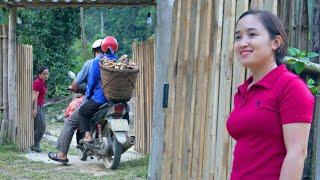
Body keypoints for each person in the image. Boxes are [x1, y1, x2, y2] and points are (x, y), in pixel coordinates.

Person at [226, 10, 315, 180]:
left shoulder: (291, 87)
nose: (242, 43)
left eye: (252, 34)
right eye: (238, 37)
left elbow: (297, 153)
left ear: (275, 42)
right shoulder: (243, 91)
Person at [48, 39, 104, 163]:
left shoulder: (91, 63)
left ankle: (62, 154)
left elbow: (78, 81)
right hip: (111, 101)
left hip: (95, 100)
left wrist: (73, 87)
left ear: (94, 51)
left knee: (71, 122)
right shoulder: (113, 61)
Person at [79, 36, 119, 143]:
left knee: (82, 111)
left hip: (100, 99)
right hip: (117, 99)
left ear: (103, 48)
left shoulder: (98, 62)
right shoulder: (119, 62)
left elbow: (91, 83)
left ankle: (87, 136)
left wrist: (88, 95)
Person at [31, 67, 49, 153]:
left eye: (47, 74)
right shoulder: (38, 82)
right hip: (37, 106)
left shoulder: (42, 82)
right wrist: (34, 109)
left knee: (38, 126)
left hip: (40, 106)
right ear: (39, 74)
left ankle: (36, 144)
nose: (46, 75)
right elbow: (34, 97)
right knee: (42, 126)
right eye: (44, 74)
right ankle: (35, 144)